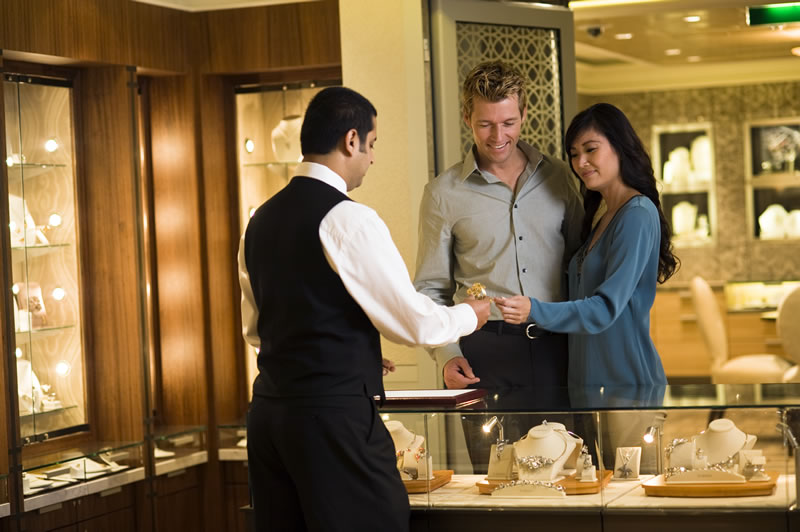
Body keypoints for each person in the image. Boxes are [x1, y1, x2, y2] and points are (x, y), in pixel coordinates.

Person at [238, 86, 490, 532]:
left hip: (268, 420)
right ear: (350, 140)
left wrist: (351, 349)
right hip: (330, 422)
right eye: (372, 145)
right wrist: (472, 313)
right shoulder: (348, 218)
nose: (372, 158)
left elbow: (260, 328)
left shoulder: (259, 220)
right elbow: (412, 322)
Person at [414, 60, 584, 391]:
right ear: (467, 119)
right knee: (494, 447)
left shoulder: (560, 177)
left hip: (559, 349)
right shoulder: (441, 194)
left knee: (573, 445)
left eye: (509, 122)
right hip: (483, 354)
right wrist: (447, 353)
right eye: (485, 124)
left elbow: (579, 264)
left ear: (524, 114)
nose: (498, 136)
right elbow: (429, 289)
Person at [495, 102, 679, 386]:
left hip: (626, 385)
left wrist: (534, 310)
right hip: (587, 386)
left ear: (620, 146)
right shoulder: (602, 218)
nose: (581, 162)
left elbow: (604, 308)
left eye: (591, 149)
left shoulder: (638, 214)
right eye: (574, 154)